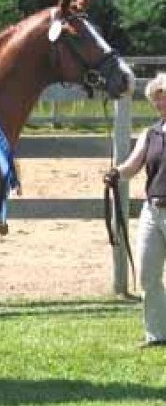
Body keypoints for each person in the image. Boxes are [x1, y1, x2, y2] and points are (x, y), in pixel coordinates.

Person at [104, 72, 166, 347]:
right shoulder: (149, 134)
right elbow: (132, 165)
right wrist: (116, 173)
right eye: (157, 99)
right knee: (147, 274)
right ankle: (156, 334)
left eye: (164, 98)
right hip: (152, 212)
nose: (160, 104)